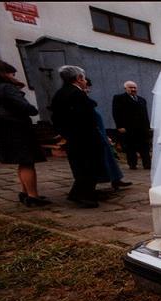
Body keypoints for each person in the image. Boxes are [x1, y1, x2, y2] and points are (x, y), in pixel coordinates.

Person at [51, 65, 105, 208]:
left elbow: (55, 117)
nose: (86, 81)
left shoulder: (59, 93)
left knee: (80, 166)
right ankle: (86, 196)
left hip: (72, 137)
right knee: (89, 166)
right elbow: (86, 116)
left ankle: (76, 193)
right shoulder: (77, 94)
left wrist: (64, 134)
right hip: (85, 137)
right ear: (79, 78)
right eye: (84, 78)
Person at [0, 60, 50, 206]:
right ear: (5, 74)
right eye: (13, 73)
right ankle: (33, 196)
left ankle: (26, 192)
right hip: (17, 129)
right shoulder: (7, 88)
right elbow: (25, 107)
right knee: (27, 162)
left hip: (4, 129)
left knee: (22, 162)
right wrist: (32, 108)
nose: (15, 76)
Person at [85, 79, 131, 191]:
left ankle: (116, 179)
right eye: (87, 87)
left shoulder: (87, 99)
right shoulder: (81, 99)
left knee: (110, 158)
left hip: (101, 133)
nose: (88, 89)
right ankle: (94, 184)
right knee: (100, 161)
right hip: (95, 134)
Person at [112, 80, 151, 170]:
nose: (133, 89)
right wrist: (119, 126)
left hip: (142, 128)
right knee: (131, 147)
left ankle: (147, 164)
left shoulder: (142, 100)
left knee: (144, 147)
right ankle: (133, 165)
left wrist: (148, 127)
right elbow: (116, 112)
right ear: (125, 88)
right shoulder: (119, 98)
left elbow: (145, 114)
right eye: (130, 87)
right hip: (128, 128)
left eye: (134, 87)